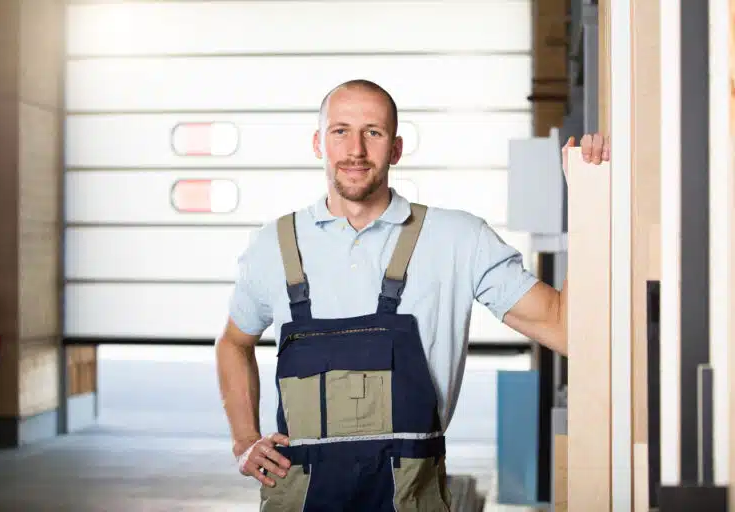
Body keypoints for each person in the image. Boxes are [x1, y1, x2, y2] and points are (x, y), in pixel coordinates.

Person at [215, 79, 610, 511]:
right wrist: (244, 440)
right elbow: (234, 342)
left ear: (396, 148)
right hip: (300, 497)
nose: (356, 150)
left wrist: (590, 203)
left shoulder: (458, 239)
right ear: (318, 143)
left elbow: (567, 329)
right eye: (340, 130)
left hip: (411, 499)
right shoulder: (272, 245)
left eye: (374, 132)